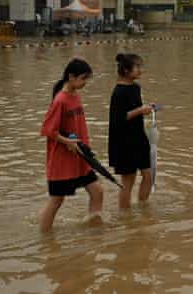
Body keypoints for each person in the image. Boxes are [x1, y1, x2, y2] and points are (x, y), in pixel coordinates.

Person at [39, 59, 103, 232]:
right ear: (71, 76)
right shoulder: (60, 100)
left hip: (80, 157)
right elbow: (47, 130)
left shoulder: (75, 95)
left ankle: (95, 230)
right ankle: (45, 239)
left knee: (97, 192)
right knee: (57, 200)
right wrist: (68, 142)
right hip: (62, 161)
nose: (84, 83)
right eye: (83, 79)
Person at [108, 53, 155, 210]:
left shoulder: (135, 88)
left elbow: (135, 110)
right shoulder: (118, 92)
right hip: (123, 141)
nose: (141, 70)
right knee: (128, 181)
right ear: (127, 70)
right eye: (137, 67)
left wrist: (146, 109)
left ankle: (143, 209)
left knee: (148, 175)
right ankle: (125, 216)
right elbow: (119, 118)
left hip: (138, 138)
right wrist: (140, 110)